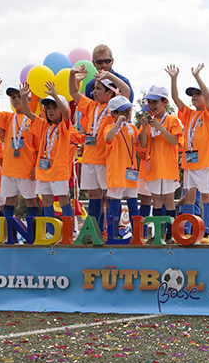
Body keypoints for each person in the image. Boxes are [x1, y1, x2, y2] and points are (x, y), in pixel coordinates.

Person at [69, 66, 130, 229]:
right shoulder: (90, 106)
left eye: (98, 88)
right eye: (94, 88)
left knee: (109, 197)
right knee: (93, 195)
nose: (94, 92)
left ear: (110, 92)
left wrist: (109, 75)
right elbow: (74, 93)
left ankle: (112, 230)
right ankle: (94, 231)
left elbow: (126, 91)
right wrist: (72, 74)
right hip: (89, 158)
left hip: (105, 160)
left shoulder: (113, 107)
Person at [166, 63, 209, 244]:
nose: (194, 97)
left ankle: (208, 232)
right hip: (188, 163)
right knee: (188, 197)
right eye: (193, 95)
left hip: (203, 163)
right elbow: (175, 98)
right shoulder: (189, 114)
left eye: (198, 94)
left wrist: (197, 77)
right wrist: (174, 79)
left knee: (206, 197)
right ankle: (186, 231)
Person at [0, 78, 41, 223]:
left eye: (20, 96)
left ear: (28, 99)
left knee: (30, 201)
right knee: (9, 201)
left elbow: (40, 148)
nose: (16, 99)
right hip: (9, 170)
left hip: (27, 170)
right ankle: (10, 235)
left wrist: (36, 167)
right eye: (13, 97)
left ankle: (32, 235)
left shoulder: (33, 120)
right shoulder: (8, 117)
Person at [20, 83, 81, 219]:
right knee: (46, 201)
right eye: (48, 108)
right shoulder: (43, 125)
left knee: (63, 199)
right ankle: (50, 231)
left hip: (59, 171)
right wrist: (24, 98)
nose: (51, 111)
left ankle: (68, 231)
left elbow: (66, 113)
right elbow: (28, 113)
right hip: (43, 170)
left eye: (55, 108)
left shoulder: (65, 126)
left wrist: (54, 94)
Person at [137, 85, 182, 240]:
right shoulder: (149, 121)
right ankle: (158, 235)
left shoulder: (173, 120)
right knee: (156, 201)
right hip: (153, 168)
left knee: (169, 201)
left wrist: (161, 129)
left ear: (165, 102)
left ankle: (171, 233)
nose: (152, 105)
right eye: (149, 101)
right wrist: (144, 128)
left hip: (168, 168)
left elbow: (174, 141)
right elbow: (143, 145)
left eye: (155, 101)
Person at [103, 95, 139, 237]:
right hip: (117, 173)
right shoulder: (109, 128)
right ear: (114, 113)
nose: (127, 114)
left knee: (133, 204)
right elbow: (108, 138)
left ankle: (137, 235)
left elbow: (140, 145)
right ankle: (112, 234)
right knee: (114, 203)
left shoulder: (132, 128)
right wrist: (118, 122)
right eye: (123, 111)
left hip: (130, 172)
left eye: (128, 111)